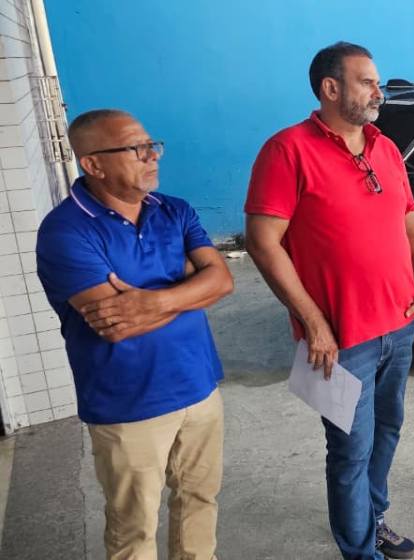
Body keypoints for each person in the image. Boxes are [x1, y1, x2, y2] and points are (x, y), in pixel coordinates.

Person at [244, 42, 414, 560]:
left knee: (387, 431)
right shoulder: (287, 150)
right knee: (351, 449)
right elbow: (263, 243)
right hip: (341, 339)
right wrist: (313, 323)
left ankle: (374, 520)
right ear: (331, 89)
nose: (379, 92)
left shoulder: (385, 148)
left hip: (400, 324)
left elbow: (409, 225)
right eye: (366, 82)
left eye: (377, 83)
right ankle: (359, 551)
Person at [36, 109, 234, 559]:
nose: (152, 156)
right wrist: (189, 287)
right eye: (135, 148)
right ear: (93, 164)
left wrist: (154, 300)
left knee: (200, 502)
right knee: (134, 530)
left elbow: (222, 281)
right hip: (128, 406)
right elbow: (115, 324)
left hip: (199, 386)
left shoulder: (174, 210)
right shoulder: (65, 231)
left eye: (151, 145)